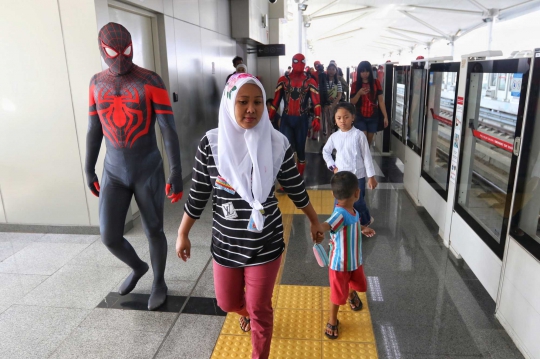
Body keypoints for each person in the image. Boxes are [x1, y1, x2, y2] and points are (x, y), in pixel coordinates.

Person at [176, 74, 324, 359]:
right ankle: (250, 312)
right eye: (243, 102)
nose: (251, 110)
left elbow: (295, 187)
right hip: (226, 245)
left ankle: (259, 336)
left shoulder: (277, 143)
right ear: (229, 104)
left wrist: (315, 219)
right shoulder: (211, 144)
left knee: (260, 309)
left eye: (257, 102)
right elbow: (198, 194)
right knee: (228, 302)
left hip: (265, 244)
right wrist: (183, 233)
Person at [85, 23, 184, 310]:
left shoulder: (150, 80)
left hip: (147, 168)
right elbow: (94, 128)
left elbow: (168, 129)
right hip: (113, 171)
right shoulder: (95, 83)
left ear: (132, 46)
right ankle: (139, 267)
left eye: (124, 51)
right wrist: (89, 168)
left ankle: (159, 281)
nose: (119, 59)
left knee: (154, 229)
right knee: (109, 236)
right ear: (102, 51)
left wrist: (176, 171)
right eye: (113, 52)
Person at [319, 171, 375, 340]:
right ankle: (332, 320)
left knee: (359, 284)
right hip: (339, 264)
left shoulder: (353, 212)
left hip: (355, 261)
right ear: (357, 193)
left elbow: (353, 225)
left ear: (333, 194)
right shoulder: (340, 214)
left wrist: (362, 229)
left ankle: (351, 294)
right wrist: (318, 228)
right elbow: (328, 225)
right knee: (337, 295)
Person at [322, 102, 377, 226]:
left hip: (358, 176)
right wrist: (333, 167)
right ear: (335, 120)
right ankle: (337, 223)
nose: (342, 121)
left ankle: (364, 221)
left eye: (346, 117)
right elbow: (326, 151)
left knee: (358, 201)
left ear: (353, 117)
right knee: (339, 200)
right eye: (339, 118)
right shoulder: (334, 137)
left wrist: (371, 177)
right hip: (340, 177)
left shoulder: (359, 135)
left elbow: (367, 156)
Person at [268, 53, 321, 177]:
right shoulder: (283, 80)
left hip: (301, 120)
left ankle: (299, 179)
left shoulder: (310, 82)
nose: (299, 65)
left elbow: (316, 102)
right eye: (296, 61)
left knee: (300, 149)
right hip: (287, 119)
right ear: (292, 63)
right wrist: (268, 118)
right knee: (285, 149)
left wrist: (317, 118)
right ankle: (288, 179)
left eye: (301, 62)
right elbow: (275, 102)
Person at [350, 61, 389, 145]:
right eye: (362, 71)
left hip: (373, 116)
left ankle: (365, 157)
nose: (365, 74)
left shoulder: (376, 83)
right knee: (363, 140)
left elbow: (381, 101)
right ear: (359, 72)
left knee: (368, 141)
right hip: (360, 115)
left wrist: (385, 116)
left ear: (370, 72)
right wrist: (359, 93)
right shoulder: (355, 85)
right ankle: (362, 157)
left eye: (367, 71)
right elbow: (352, 101)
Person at [321, 60, 342, 142]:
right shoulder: (323, 82)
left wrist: (332, 105)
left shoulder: (338, 82)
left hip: (334, 107)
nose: (331, 71)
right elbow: (320, 94)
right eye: (330, 69)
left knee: (332, 124)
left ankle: (331, 142)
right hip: (324, 106)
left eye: (333, 69)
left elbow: (339, 95)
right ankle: (326, 142)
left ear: (336, 71)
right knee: (324, 125)